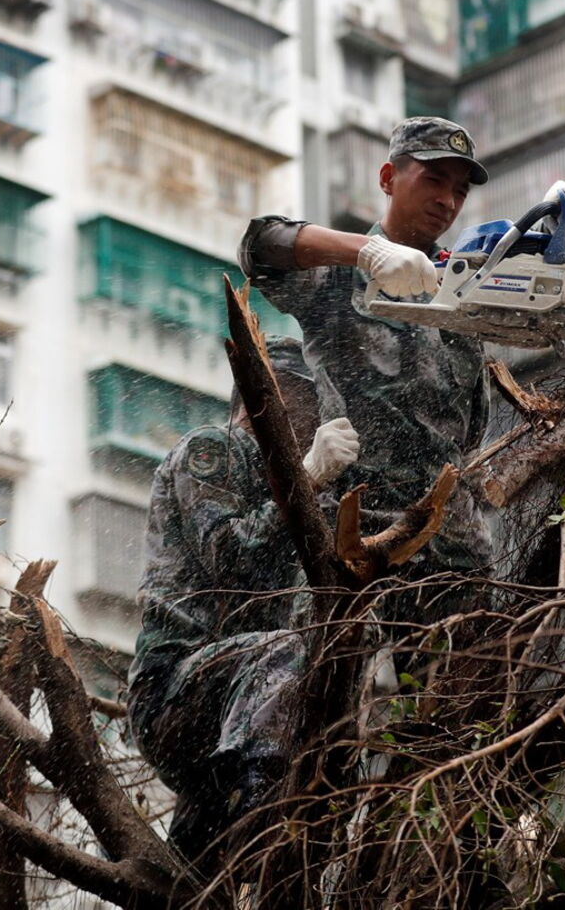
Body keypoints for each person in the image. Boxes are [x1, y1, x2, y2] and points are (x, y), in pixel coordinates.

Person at [237, 117, 565, 621]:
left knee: (470, 667)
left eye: (460, 190)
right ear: (388, 179)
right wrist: (367, 252)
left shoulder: (467, 280)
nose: (447, 200)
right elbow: (259, 248)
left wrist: (561, 242)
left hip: (454, 543)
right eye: (433, 180)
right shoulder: (339, 277)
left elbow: (545, 323)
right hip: (356, 529)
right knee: (341, 659)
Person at [127, 338, 359, 863]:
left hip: (236, 707)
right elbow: (229, 557)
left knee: (196, 878)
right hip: (175, 688)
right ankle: (263, 814)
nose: (316, 415)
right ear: (266, 396)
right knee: (290, 651)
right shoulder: (214, 448)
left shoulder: (286, 479)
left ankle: (215, 848)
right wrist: (307, 479)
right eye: (306, 399)